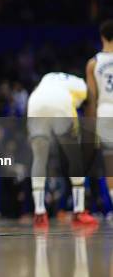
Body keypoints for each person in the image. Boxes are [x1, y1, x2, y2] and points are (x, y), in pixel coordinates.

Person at [27, 72, 98, 228]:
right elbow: (90, 103)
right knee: (74, 156)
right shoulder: (81, 84)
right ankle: (79, 211)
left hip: (35, 100)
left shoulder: (48, 77)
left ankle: (39, 213)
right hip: (60, 101)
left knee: (39, 156)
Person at [85, 19, 113, 212]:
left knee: (111, 163)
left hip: (104, 111)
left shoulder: (93, 64)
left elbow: (91, 99)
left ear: (102, 37)